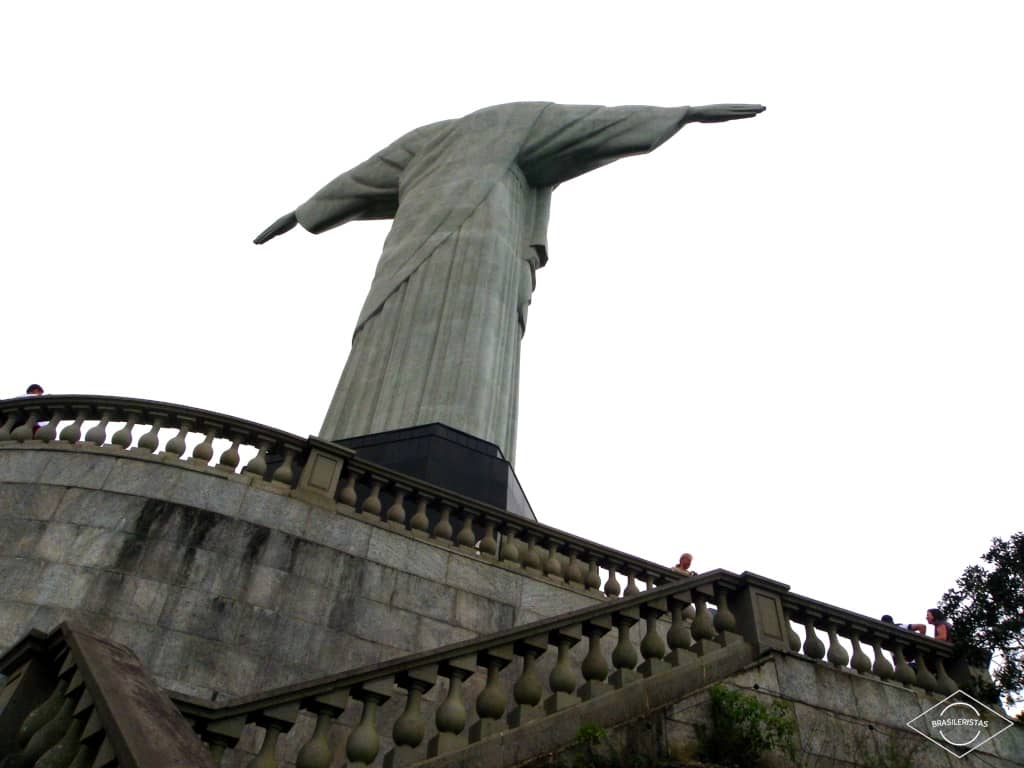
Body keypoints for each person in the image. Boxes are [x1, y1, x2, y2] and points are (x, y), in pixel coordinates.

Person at [255, 102, 765, 464]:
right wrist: (302, 214)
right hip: (417, 244)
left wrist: (682, 115)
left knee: (467, 345)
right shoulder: (468, 131)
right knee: (390, 330)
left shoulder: (505, 125)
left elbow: (592, 126)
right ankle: (355, 442)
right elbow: (366, 178)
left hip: (480, 249)